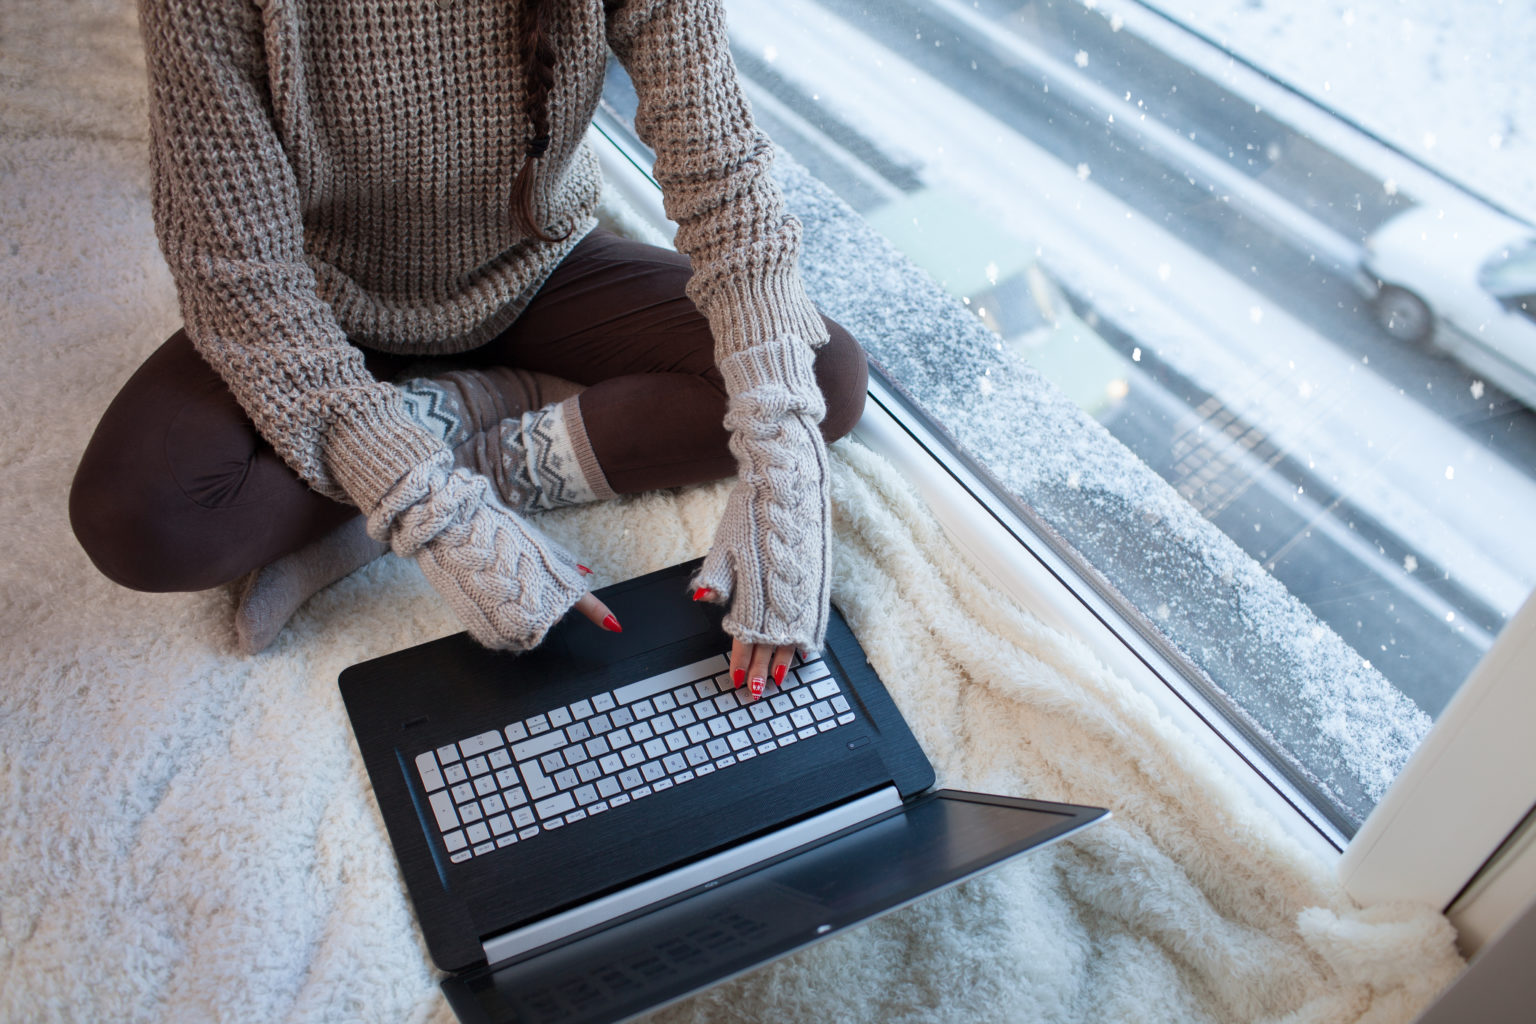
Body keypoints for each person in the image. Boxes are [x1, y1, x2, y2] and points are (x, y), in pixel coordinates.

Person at [68, 0, 868, 700]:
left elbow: (724, 179)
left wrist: (781, 469)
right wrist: (434, 514)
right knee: (140, 521)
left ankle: (458, 422)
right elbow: (236, 272)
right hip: (326, 298)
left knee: (821, 373)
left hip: (539, 267)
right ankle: (417, 445)